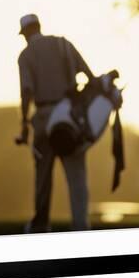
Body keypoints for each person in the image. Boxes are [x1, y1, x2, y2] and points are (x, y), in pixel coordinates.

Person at [16, 13, 94, 233]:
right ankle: (81, 226)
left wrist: (24, 124)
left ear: (26, 33)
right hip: (69, 116)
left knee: (43, 178)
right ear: (39, 26)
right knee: (77, 176)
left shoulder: (26, 55)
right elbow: (89, 75)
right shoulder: (63, 44)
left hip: (43, 118)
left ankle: (41, 225)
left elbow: (27, 93)